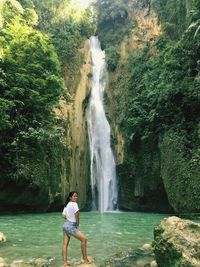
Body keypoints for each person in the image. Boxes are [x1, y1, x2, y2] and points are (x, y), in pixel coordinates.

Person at [62, 191, 90, 266]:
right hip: (71, 225)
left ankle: (65, 263)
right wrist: (77, 223)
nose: (76, 197)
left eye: (76, 196)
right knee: (84, 239)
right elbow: (77, 214)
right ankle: (85, 259)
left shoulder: (66, 205)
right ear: (70, 197)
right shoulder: (74, 204)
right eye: (74, 196)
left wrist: (69, 217)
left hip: (65, 225)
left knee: (65, 244)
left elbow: (63, 216)